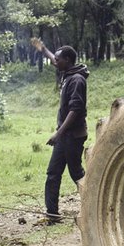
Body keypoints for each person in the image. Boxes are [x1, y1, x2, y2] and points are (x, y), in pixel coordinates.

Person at [32, 38, 89, 223]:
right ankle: (52, 214)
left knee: (77, 174)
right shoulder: (69, 73)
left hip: (72, 136)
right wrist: (44, 49)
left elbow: (75, 110)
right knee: (53, 173)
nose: (54, 62)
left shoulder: (77, 80)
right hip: (65, 136)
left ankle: (96, 205)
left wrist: (58, 133)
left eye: (58, 60)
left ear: (67, 60)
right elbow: (54, 58)